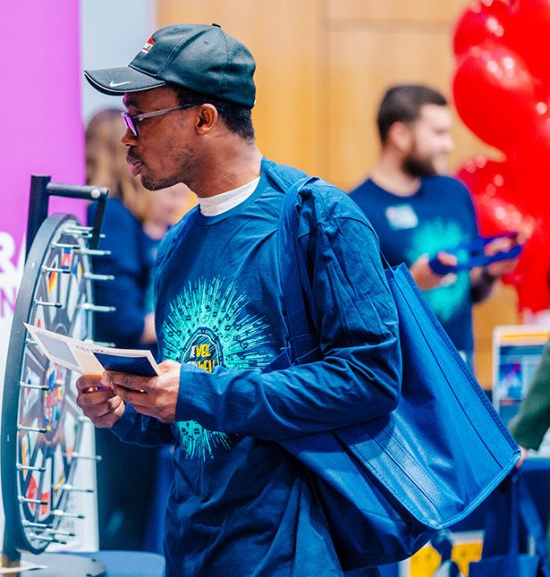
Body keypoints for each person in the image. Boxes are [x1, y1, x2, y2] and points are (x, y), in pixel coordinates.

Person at [75, 24, 401, 576]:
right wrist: (124, 408)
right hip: (194, 546)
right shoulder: (178, 244)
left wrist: (201, 391)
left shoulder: (318, 219)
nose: (127, 138)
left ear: (204, 118)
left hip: (294, 548)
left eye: (140, 118)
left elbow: (371, 379)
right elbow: (189, 417)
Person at [350, 84, 520, 364]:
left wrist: (490, 272)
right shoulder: (355, 210)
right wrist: (412, 284)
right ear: (400, 135)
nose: (449, 145)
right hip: (404, 381)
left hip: (462, 370)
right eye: (438, 133)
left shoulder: (455, 193)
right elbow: (357, 313)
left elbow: (471, 291)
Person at [84, 109, 189, 551]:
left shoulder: (127, 219)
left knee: (133, 511)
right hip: (119, 381)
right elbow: (122, 321)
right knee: (124, 515)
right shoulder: (114, 218)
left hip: (131, 382)